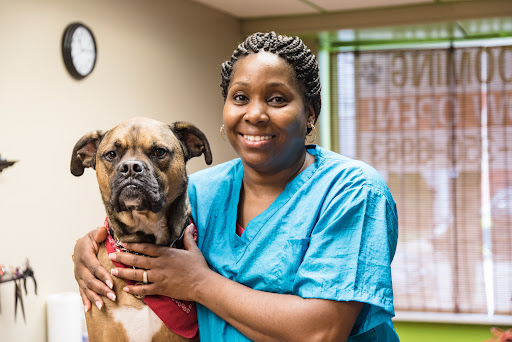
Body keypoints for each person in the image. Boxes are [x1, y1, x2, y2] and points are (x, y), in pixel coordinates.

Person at [73, 31, 399, 341]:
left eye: (277, 99)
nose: (255, 113)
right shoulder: (200, 192)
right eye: (240, 97)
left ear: (310, 114)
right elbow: (139, 227)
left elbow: (322, 333)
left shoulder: (353, 192)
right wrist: (87, 249)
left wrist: (199, 283)